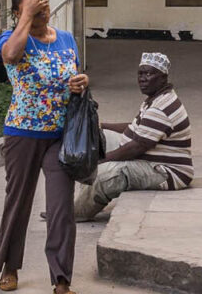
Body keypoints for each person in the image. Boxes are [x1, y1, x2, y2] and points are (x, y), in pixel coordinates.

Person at [0, 0, 89, 294]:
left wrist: (81, 81)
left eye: (43, 2)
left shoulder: (65, 38)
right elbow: (10, 56)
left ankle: (62, 282)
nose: (42, 7)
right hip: (23, 133)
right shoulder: (11, 39)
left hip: (60, 135)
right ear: (18, 11)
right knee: (18, 201)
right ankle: (10, 266)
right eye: (33, 3)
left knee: (61, 206)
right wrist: (26, 17)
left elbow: (73, 74)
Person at [76, 52, 193, 222]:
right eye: (140, 73)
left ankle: (76, 213)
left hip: (166, 171)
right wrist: (100, 127)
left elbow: (137, 146)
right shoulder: (155, 98)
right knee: (93, 140)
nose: (143, 79)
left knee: (105, 174)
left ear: (163, 78)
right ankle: (79, 200)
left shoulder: (161, 108)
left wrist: (103, 160)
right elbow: (134, 128)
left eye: (149, 74)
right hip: (149, 157)